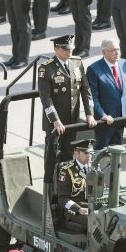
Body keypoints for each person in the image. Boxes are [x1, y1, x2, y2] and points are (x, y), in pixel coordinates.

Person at [37, 35, 96, 169]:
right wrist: (55, 120)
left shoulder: (77, 62)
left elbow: (85, 89)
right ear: (56, 49)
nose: (69, 52)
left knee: (69, 154)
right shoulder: (46, 68)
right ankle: (51, 185)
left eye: (71, 49)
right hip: (56, 123)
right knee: (53, 155)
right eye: (65, 49)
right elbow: (46, 98)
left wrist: (89, 113)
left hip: (72, 119)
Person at [87, 39, 126, 150]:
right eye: (113, 50)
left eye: (118, 49)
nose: (117, 52)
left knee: (118, 153)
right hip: (104, 122)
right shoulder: (94, 69)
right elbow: (93, 97)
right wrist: (102, 115)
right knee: (101, 153)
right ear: (104, 52)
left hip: (121, 119)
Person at [56, 139, 95, 232]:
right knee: (95, 223)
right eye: (86, 153)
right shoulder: (66, 170)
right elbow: (62, 199)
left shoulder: (93, 168)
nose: (89, 156)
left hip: (91, 206)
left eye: (90, 153)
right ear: (76, 153)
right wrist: (78, 209)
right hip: (74, 210)